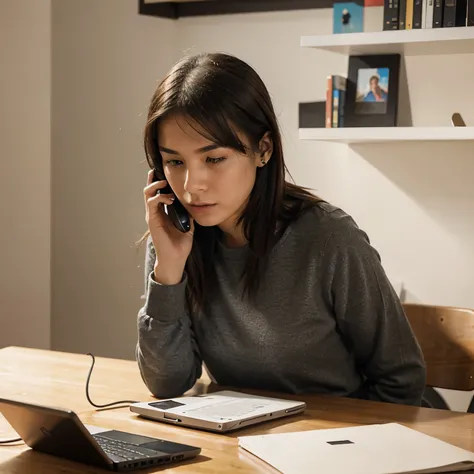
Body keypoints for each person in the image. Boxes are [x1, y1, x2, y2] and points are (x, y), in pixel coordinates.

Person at [136, 52, 426, 406]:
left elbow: (401, 381)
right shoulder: (176, 240)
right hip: (250, 443)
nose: (191, 185)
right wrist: (168, 270)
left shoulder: (329, 238)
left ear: (263, 149)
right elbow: (167, 383)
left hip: (342, 443)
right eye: (174, 162)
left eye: (214, 159)